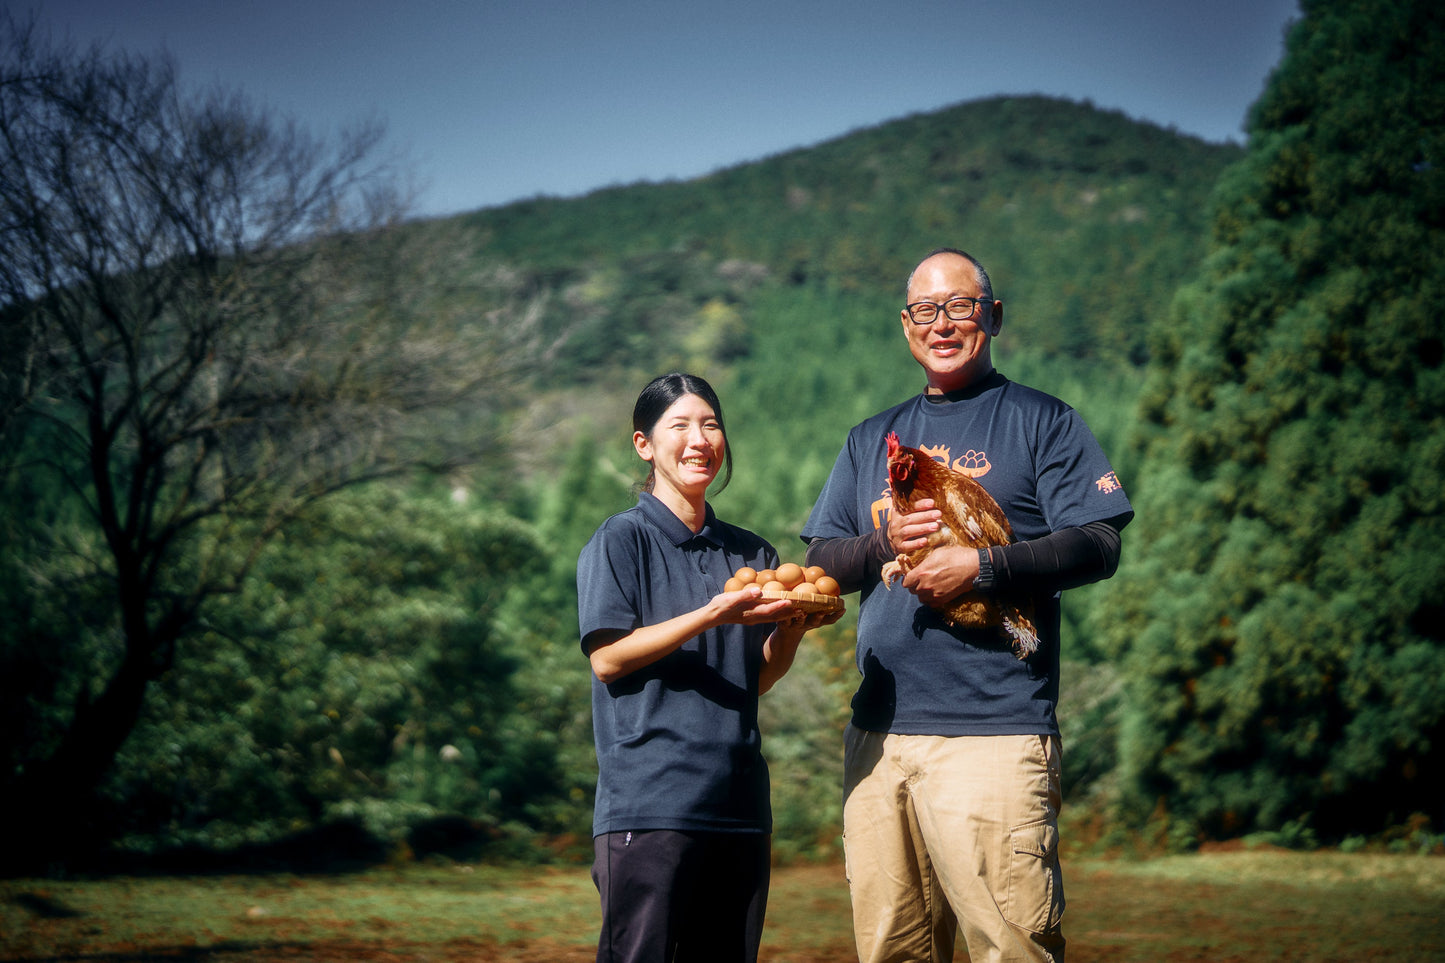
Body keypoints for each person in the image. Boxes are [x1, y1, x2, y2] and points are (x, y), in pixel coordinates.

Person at [801, 248, 1133, 963]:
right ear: (905, 323)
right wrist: (880, 541)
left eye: (961, 305)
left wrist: (979, 567)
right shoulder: (869, 438)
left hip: (993, 731)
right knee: (891, 952)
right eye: (926, 309)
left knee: (1008, 949)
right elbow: (820, 562)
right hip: (879, 739)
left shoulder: (1042, 421)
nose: (942, 322)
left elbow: (1099, 543)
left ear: (993, 315)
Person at [578, 372, 841, 963]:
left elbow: (758, 678)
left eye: (711, 424)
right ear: (644, 445)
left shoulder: (753, 553)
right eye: (680, 426)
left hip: (739, 805)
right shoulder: (622, 541)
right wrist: (713, 614)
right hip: (650, 805)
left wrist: (792, 628)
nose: (700, 439)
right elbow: (607, 659)